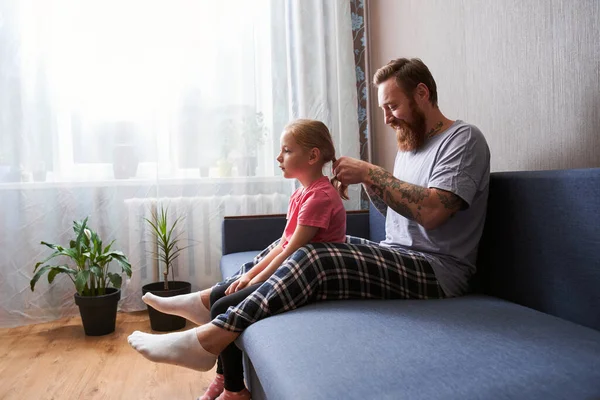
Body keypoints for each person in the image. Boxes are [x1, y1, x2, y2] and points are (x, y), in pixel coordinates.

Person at [128, 57, 490, 397]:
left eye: (392, 106)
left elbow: (432, 212)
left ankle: (211, 337)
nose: (387, 118)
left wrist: (372, 173)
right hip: (394, 254)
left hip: (438, 271)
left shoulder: (463, 140)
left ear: (422, 94)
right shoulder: (411, 147)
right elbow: (400, 213)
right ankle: (209, 298)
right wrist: (371, 186)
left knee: (312, 255)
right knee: (290, 241)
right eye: (383, 109)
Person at [130, 119, 349, 400]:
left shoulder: (320, 197)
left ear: (313, 156)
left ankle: (234, 390)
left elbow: (293, 252)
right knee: (223, 297)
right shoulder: (301, 195)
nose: (279, 158)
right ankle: (224, 376)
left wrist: (254, 279)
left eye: (287, 151)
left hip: (308, 281)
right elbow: (280, 246)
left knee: (224, 305)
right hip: (291, 270)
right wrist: (248, 276)